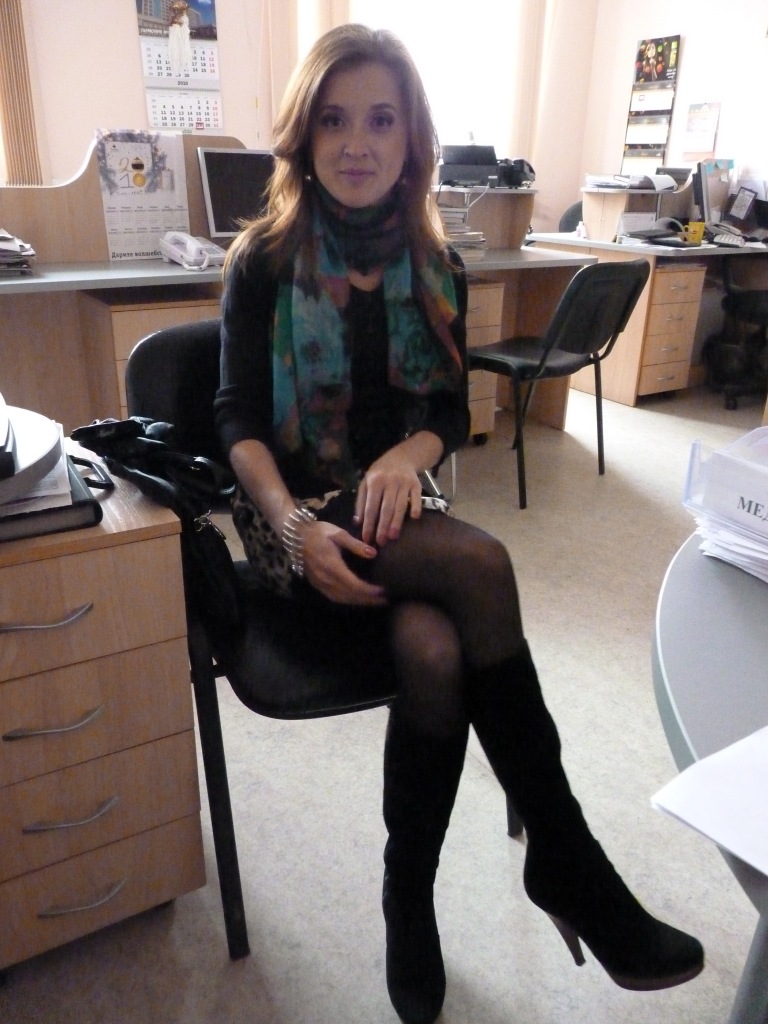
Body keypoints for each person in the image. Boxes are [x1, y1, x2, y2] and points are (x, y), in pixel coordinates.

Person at [215, 23, 704, 1024]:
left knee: (436, 651)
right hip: (294, 523)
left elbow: (443, 408)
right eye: (335, 120)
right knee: (482, 568)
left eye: (381, 121)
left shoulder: (437, 262)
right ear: (305, 136)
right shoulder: (261, 260)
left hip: (402, 514)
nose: (357, 144)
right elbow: (235, 422)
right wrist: (293, 525)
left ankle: (409, 900)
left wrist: (408, 456)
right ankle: (567, 858)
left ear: (412, 140)